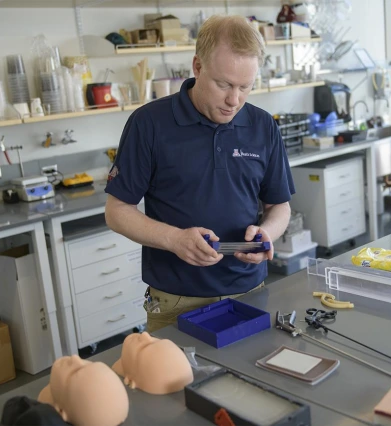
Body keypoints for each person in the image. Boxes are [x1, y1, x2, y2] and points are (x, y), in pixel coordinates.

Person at [105, 15, 295, 332]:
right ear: (197, 67)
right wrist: (175, 239)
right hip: (176, 301)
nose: (234, 100)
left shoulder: (263, 125)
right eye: (223, 85)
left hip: (249, 292)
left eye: (245, 87)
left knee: (252, 380)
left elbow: (279, 206)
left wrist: (267, 234)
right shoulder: (149, 123)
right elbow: (117, 211)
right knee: (175, 382)